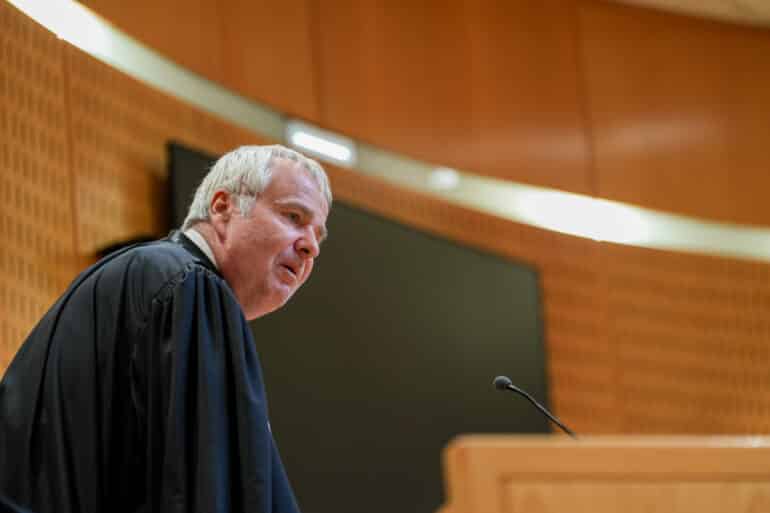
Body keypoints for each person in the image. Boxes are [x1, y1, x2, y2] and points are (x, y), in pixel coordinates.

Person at [0, 145, 331, 513]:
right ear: (223, 208)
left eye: (319, 234)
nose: (311, 247)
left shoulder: (150, 277)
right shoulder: (190, 285)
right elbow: (201, 491)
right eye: (293, 216)